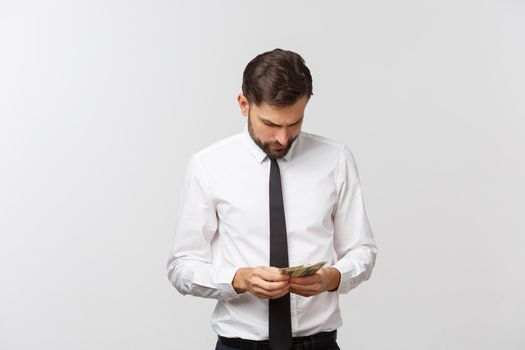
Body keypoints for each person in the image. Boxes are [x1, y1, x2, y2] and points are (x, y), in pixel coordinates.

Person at [166, 48, 378, 350]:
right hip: (240, 345)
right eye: (271, 124)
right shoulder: (208, 166)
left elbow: (362, 251)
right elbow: (181, 266)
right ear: (243, 104)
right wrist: (238, 279)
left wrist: (332, 277)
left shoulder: (336, 160)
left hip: (318, 344)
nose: (282, 138)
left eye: (294, 123)